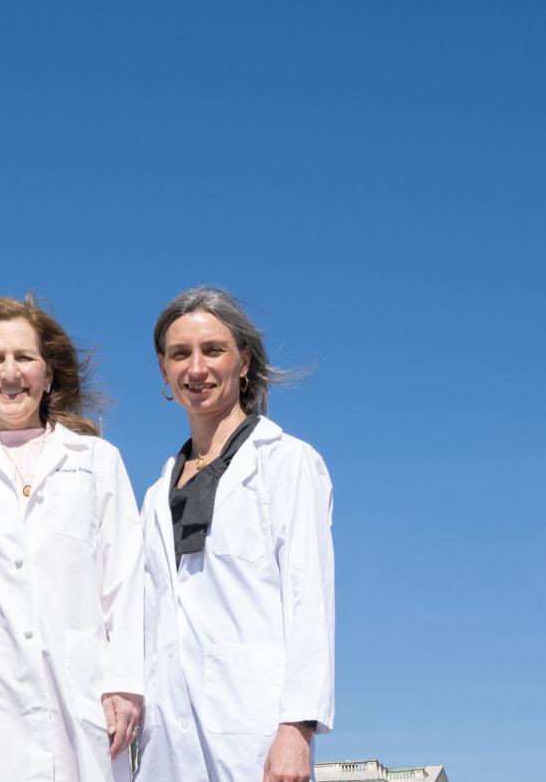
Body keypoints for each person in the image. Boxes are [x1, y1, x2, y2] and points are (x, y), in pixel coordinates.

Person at [0, 297, 142, 782]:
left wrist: (125, 681)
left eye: (24, 358)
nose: (10, 373)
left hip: (88, 698)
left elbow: (127, 581)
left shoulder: (98, 461)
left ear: (48, 374)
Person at [137, 287, 335, 782]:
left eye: (213, 350)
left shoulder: (286, 463)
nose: (196, 368)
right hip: (167, 735)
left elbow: (309, 597)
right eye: (180, 354)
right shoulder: (155, 492)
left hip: (254, 727)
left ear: (243, 361)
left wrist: (298, 727)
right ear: (164, 370)